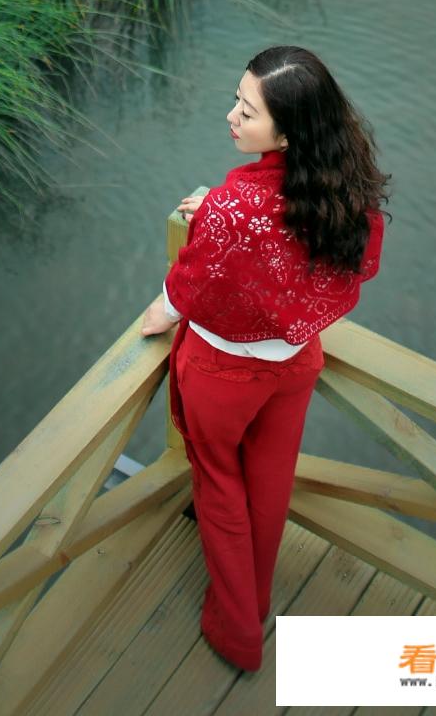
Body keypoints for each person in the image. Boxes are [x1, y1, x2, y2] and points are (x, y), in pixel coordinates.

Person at [140, 45, 391, 674]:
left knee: (219, 483)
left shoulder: (235, 208)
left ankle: (239, 629)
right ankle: (259, 601)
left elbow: (191, 287)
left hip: (225, 375)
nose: (231, 116)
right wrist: (220, 221)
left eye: (246, 111)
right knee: (270, 482)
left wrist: (161, 311)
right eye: (237, 100)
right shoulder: (341, 185)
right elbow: (310, 248)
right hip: (295, 365)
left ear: (286, 131)